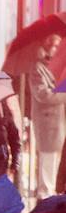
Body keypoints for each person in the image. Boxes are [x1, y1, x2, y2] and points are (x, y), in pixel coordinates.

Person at [28, 36, 66, 199]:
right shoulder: (38, 68)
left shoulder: (58, 68)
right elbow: (43, 95)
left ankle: (51, 197)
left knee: (55, 164)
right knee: (47, 166)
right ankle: (45, 200)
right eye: (56, 46)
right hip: (47, 124)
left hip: (59, 123)